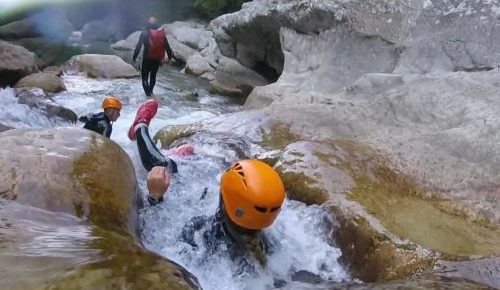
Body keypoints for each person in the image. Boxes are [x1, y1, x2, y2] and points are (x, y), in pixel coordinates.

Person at [127, 99, 286, 265]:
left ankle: (140, 126)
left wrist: (155, 198)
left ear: (224, 200)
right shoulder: (270, 245)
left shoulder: (199, 233)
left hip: (183, 204)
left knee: (166, 165)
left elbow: (156, 244)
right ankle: (181, 155)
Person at [133, 16, 176, 97]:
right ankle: (151, 92)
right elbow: (167, 47)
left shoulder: (144, 34)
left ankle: (148, 95)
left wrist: (134, 57)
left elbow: (138, 46)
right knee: (153, 76)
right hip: (157, 59)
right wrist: (169, 57)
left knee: (144, 78)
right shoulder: (161, 34)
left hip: (147, 58)